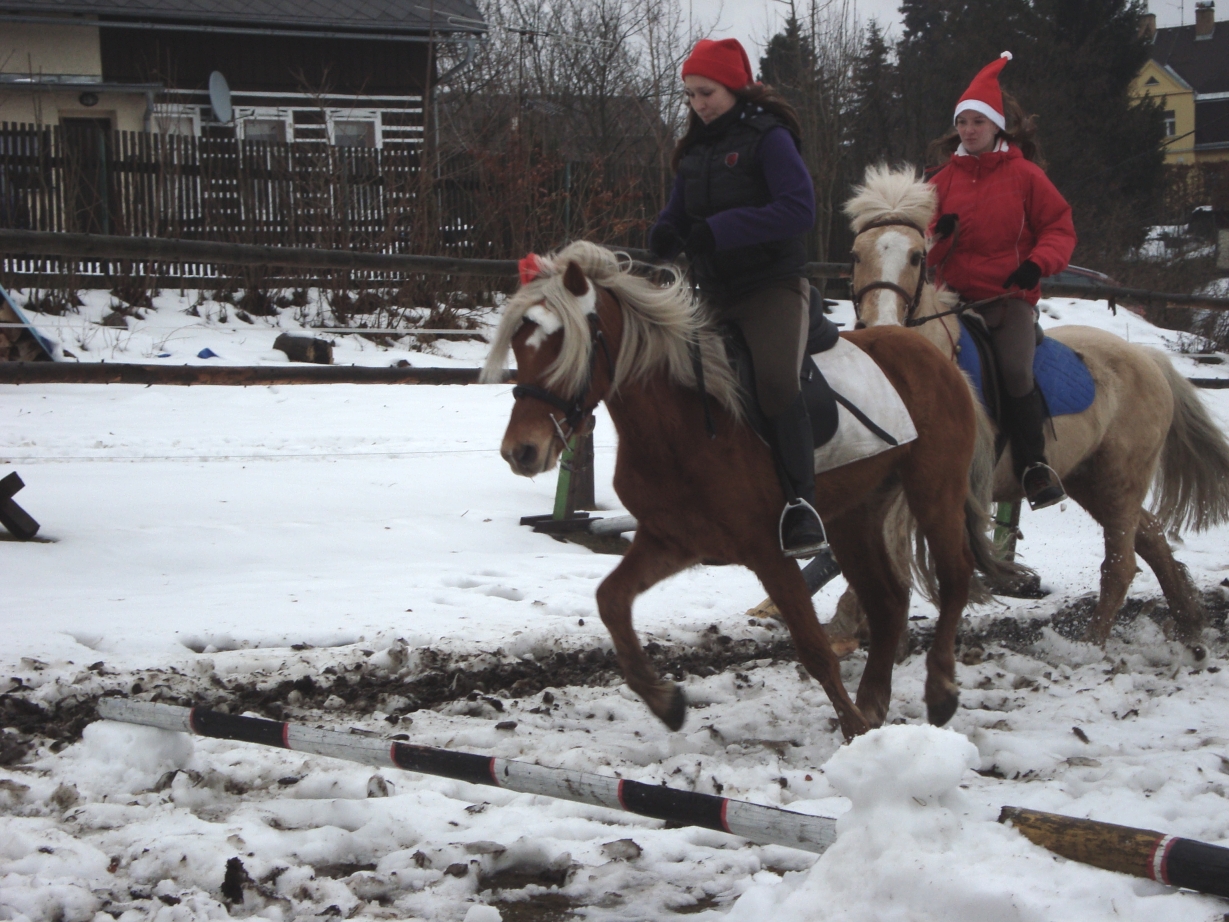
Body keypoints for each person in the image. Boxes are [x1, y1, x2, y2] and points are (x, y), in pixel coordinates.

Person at [646, 38, 826, 558]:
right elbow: (679, 213)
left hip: (771, 286)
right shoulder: (696, 149)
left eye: (707, 92)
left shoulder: (769, 138)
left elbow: (799, 210)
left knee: (772, 382)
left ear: (734, 86)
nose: (699, 104)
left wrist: (719, 231)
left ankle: (801, 506)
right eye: (691, 96)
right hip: (712, 291)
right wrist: (663, 232)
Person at [926, 52, 1076, 511]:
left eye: (977, 121)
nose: (969, 130)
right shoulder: (938, 181)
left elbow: (1060, 228)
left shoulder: (1026, 176)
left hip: (1007, 299)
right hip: (950, 299)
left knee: (1014, 370)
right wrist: (938, 236)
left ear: (996, 126)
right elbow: (917, 246)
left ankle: (1033, 466)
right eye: (963, 122)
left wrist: (1036, 264)